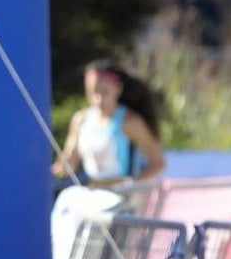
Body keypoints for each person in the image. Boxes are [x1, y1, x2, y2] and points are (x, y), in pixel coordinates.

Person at [52, 59, 166, 188]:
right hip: (93, 191)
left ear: (118, 89)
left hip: (125, 196)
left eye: (105, 92)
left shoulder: (130, 122)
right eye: (93, 92)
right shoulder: (81, 119)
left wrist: (132, 184)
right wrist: (62, 167)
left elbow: (158, 163)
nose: (99, 99)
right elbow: (70, 158)